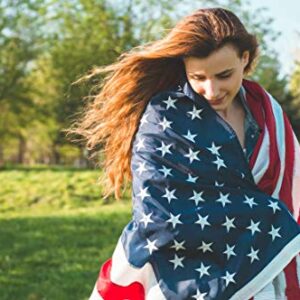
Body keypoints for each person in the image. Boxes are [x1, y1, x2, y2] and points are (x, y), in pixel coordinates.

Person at [72, 7, 300, 300]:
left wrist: (266, 219)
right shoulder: (164, 118)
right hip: (180, 269)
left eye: (224, 75)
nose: (212, 89)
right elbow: (158, 213)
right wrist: (266, 215)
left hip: (264, 266)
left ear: (245, 59)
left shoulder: (267, 111)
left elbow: (291, 183)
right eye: (198, 77)